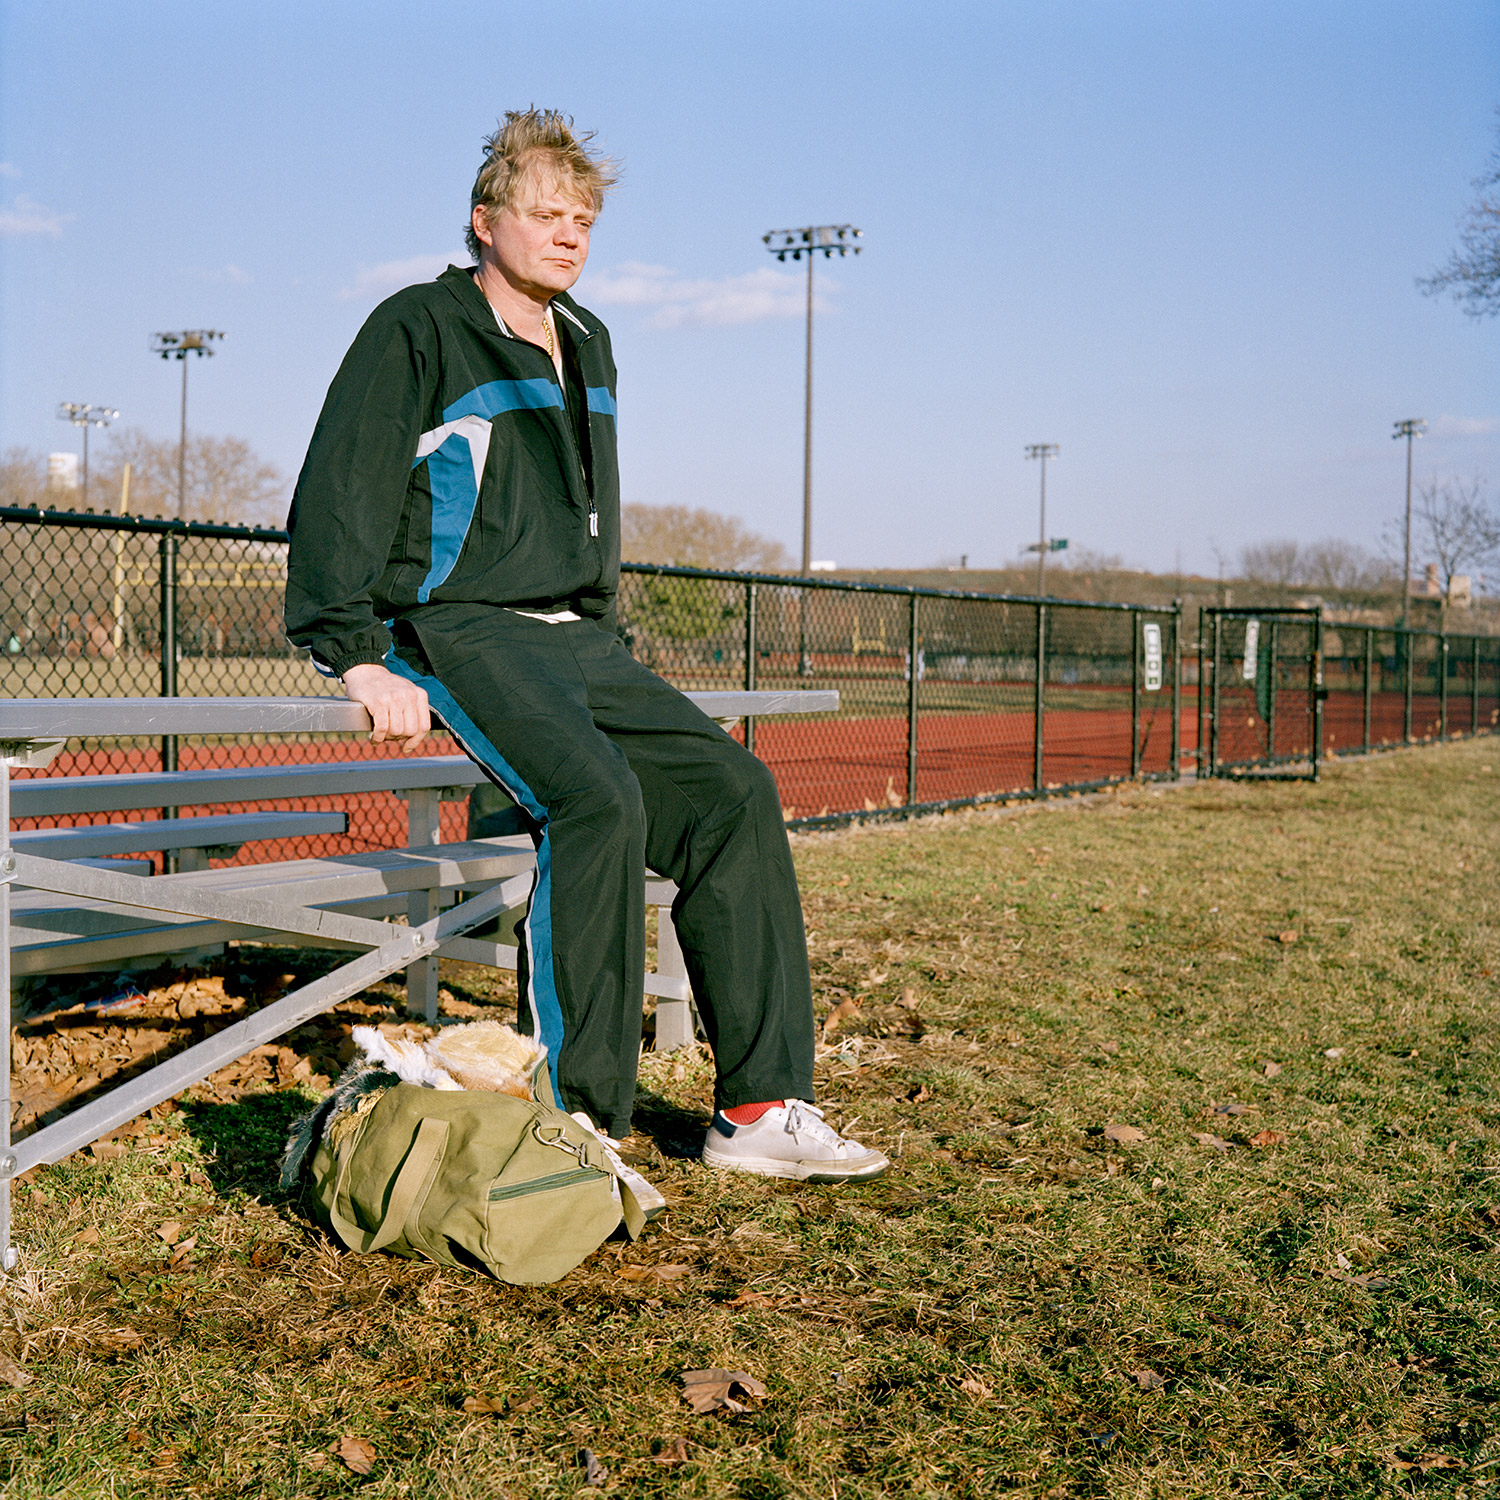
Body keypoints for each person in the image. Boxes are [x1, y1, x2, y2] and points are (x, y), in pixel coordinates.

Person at [285, 109, 887, 1184]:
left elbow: (587, 505)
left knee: (733, 789)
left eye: (584, 220)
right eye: (545, 214)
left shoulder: (591, 337)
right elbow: (344, 483)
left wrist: (600, 628)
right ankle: (580, 1118)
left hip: (578, 636)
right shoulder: (418, 326)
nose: (568, 235)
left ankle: (758, 1107)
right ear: (485, 221)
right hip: (461, 625)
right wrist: (354, 649)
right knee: (595, 800)